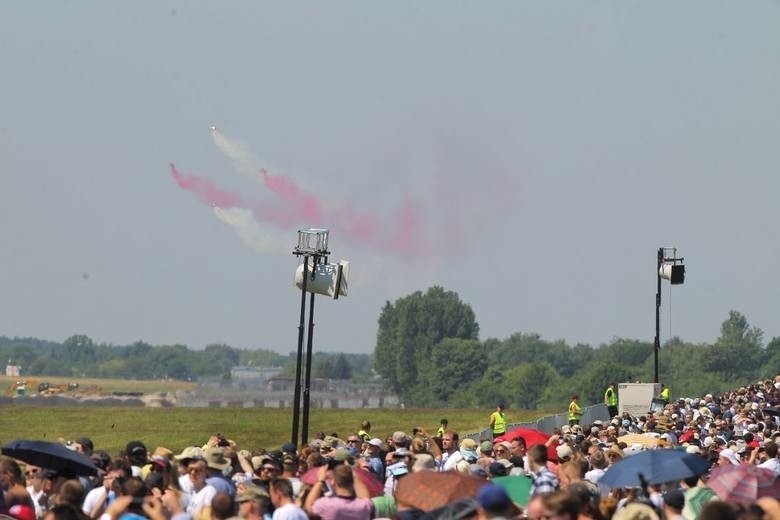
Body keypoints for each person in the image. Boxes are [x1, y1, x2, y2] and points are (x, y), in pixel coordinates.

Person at [303, 464, 373, 520]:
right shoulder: (364, 506)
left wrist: (321, 481)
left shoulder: (325, 504)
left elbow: (309, 506)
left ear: (333, 482)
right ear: (352, 482)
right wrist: (352, 472)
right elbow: (364, 495)